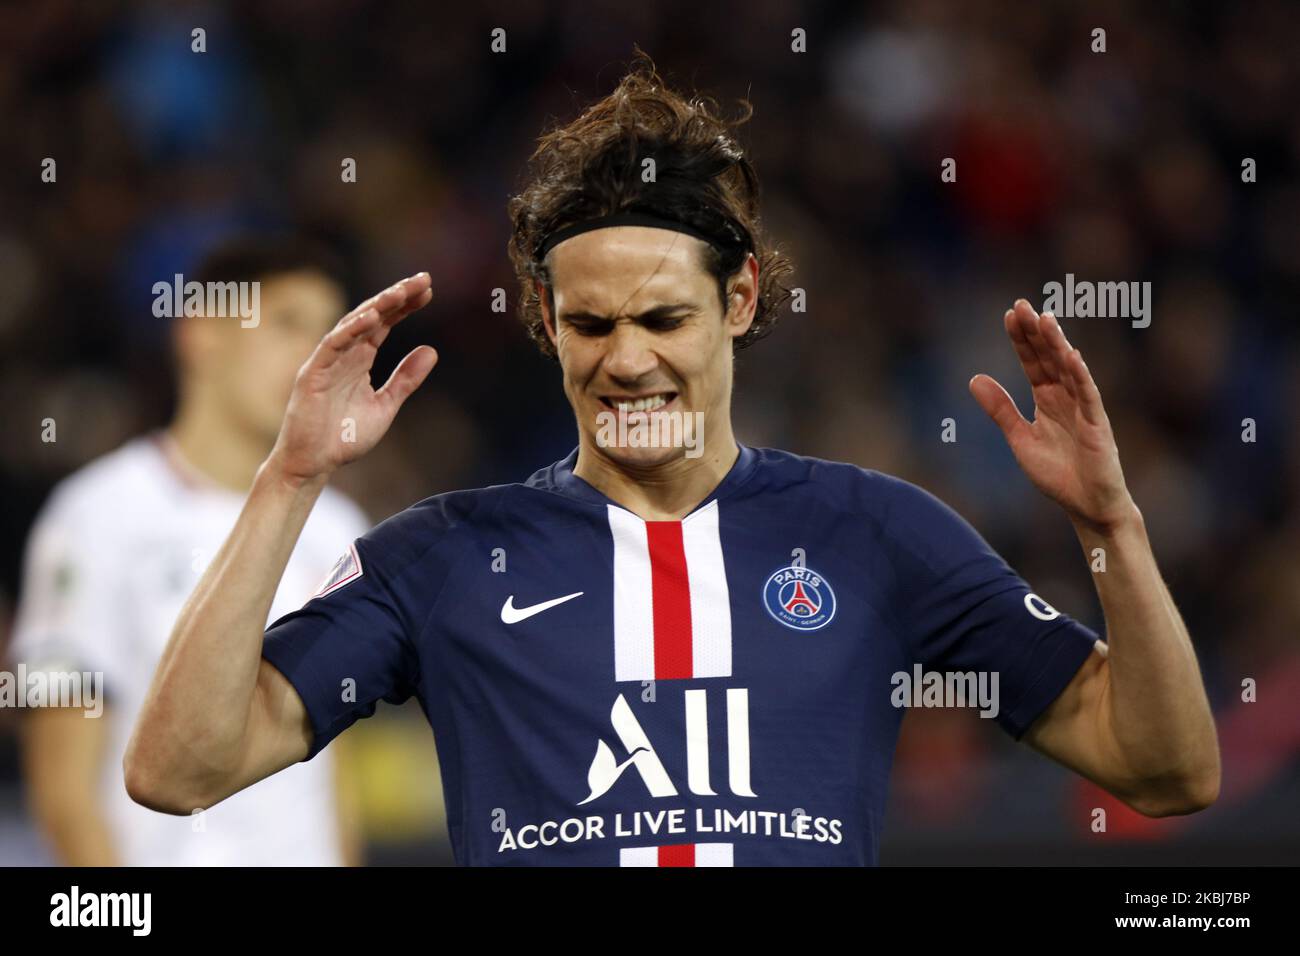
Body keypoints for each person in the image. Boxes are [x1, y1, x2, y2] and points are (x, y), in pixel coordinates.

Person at [124, 57, 1219, 866]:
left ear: (738, 300)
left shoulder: (877, 533)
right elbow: (177, 769)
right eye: (591, 324)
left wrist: (1111, 528)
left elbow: (1170, 769)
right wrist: (288, 480)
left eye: (663, 317)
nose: (627, 360)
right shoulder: (444, 557)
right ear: (547, 322)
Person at [12, 238, 369, 865]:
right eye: (287, 324)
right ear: (201, 335)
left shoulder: (341, 528)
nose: (314, 356)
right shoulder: (93, 517)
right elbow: (64, 791)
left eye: (328, 333)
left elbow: (336, 771)